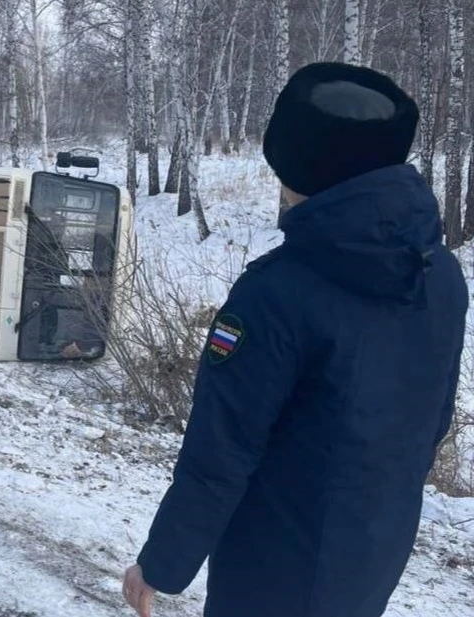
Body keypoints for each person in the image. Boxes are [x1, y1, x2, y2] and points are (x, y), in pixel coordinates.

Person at [122, 62, 469, 617]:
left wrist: (162, 562)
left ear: (299, 167)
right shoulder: (439, 274)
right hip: (374, 548)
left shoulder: (274, 295)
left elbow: (222, 451)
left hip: (274, 566)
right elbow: (433, 421)